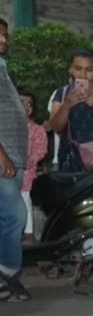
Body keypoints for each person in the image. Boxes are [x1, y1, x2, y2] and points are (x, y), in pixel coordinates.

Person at [0, 18, 30, 301]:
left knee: (4, 218)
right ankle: (7, 272)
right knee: (15, 215)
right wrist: (2, 155)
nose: (3, 39)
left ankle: (6, 279)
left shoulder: (2, 68)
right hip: (3, 156)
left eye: (5, 34)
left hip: (12, 155)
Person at [17, 90, 45, 242]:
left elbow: (41, 150)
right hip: (6, 172)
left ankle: (29, 232)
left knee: (25, 199)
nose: (26, 107)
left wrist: (27, 162)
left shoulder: (36, 129)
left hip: (26, 172)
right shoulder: (6, 126)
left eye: (29, 104)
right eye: (21, 102)